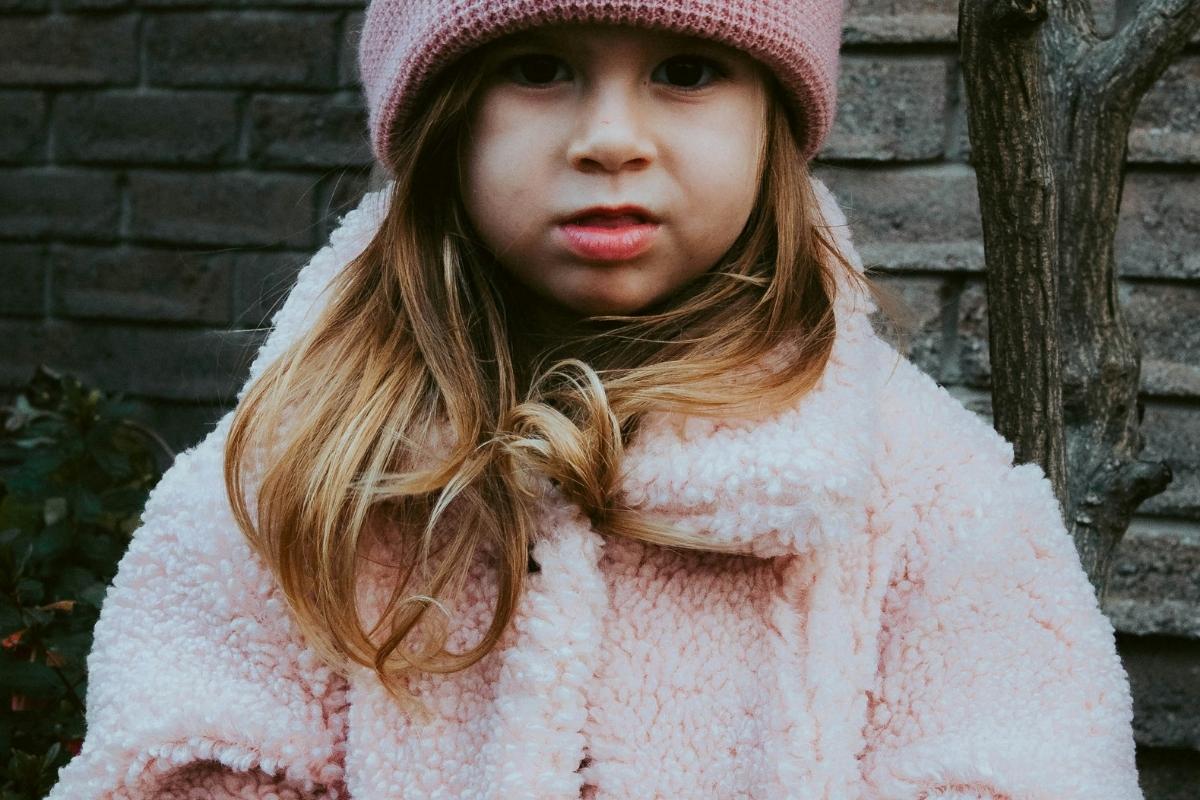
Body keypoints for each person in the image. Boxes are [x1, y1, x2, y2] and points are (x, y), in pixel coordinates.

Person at [46, 2, 1144, 799]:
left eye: (684, 67)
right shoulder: (288, 479)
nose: (611, 136)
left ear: (773, 121)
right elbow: (184, 763)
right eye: (537, 64)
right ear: (443, 119)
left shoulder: (934, 500)